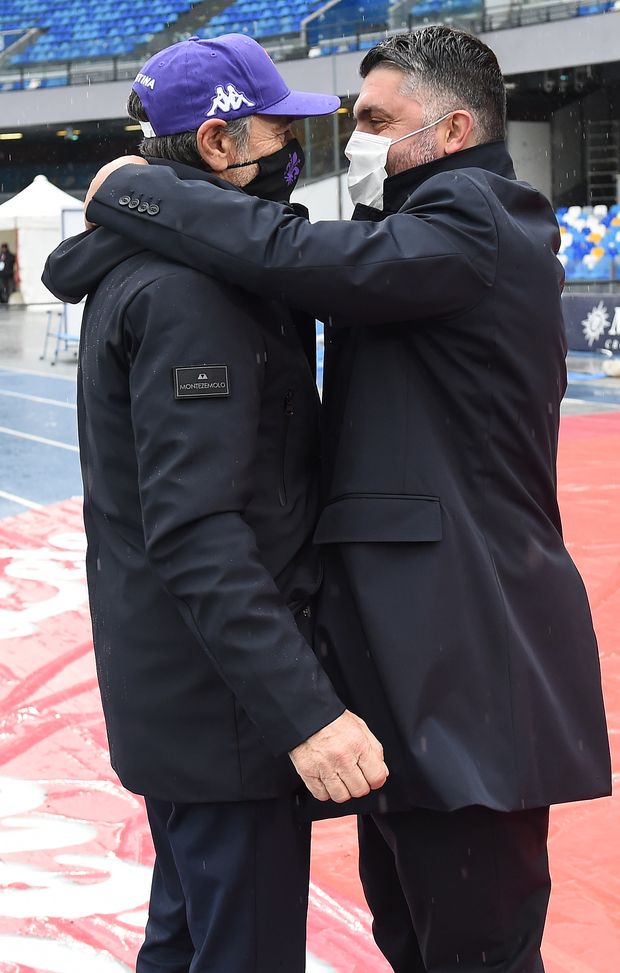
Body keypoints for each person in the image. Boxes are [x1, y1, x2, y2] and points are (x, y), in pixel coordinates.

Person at [82, 26, 611, 973]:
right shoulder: (408, 225)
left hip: (467, 668)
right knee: (412, 938)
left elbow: (286, 253)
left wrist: (130, 189)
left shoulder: (481, 216)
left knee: (476, 952)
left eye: (374, 120)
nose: (347, 139)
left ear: (450, 131)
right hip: (405, 681)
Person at [42, 34, 388, 973]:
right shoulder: (194, 294)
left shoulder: (148, 272)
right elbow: (199, 530)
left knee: (186, 936)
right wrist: (305, 712)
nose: (294, 149)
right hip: (227, 712)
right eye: (277, 129)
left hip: (192, 699)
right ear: (217, 145)